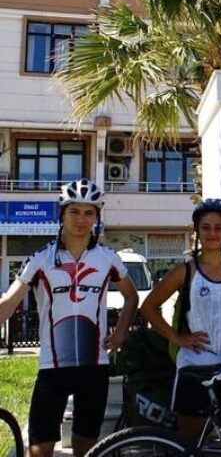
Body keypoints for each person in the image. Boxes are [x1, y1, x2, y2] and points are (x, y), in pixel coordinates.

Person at [0, 179, 138, 457]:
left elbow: (132, 297)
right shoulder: (41, 259)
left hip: (94, 365)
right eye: (74, 211)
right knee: (40, 448)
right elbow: (9, 303)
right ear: (61, 214)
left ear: (97, 217)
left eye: (89, 212)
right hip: (52, 366)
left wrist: (121, 332)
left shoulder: (108, 258)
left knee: (86, 447)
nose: (81, 219)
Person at [141, 200, 221, 455]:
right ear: (197, 232)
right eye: (206, 227)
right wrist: (178, 338)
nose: (212, 233)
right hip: (195, 368)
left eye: (218, 228)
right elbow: (148, 307)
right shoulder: (185, 271)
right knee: (190, 446)